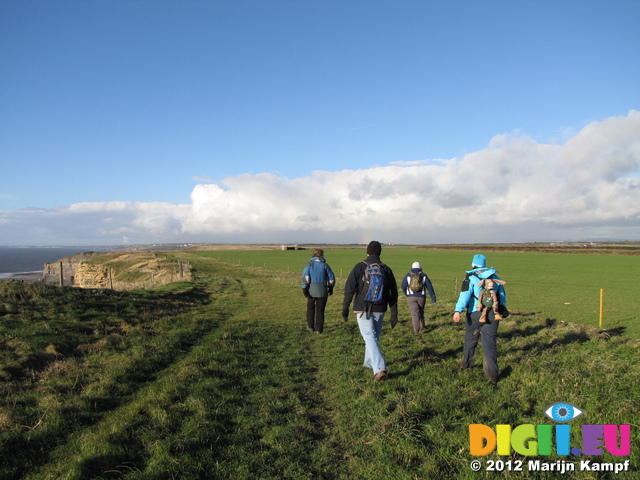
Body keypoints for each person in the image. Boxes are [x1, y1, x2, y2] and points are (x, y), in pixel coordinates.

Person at [342, 241, 398, 381]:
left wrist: (345, 307)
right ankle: (369, 364)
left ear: (367, 252)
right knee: (374, 338)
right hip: (380, 308)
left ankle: (379, 368)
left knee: (369, 337)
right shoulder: (386, 269)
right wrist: (394, 313)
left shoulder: (360, 266)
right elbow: (393, 293)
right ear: (380, 253)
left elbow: (349, 288)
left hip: (362, 308)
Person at [452, 254, 506, 385]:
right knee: (490, 344)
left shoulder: (470, 278)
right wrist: (501, 309)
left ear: (473, 264)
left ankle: (467, 366)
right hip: (493, 314)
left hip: (475, 313)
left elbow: (464, 295)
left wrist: (458, 310)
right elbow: (502, 296)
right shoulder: (494, 278)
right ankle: (492, 375)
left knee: (471, 340)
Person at [301, 249, 335, 334]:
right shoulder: (325, 265)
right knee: (320, 310)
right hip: (323, 291)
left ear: (313, 255)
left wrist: (305, 288)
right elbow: (331, 279)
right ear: (322, 255)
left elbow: (306, 277)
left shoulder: (309, 265)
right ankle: (319, 329)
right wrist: (330, 288)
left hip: (311, 291)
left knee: (310, 309)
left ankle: (310, 326)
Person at [400, 262, 437, 333]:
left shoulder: (408, 275)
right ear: (420, 268)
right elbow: (430, 287)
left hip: (411, 297)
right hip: (422, 297)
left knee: (415, 314)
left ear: (412, 268)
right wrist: (433, 298)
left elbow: (403, 286)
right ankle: (422, 327)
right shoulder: (424, 275)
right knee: (421, 311)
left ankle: (416, 330)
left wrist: (407, 294)